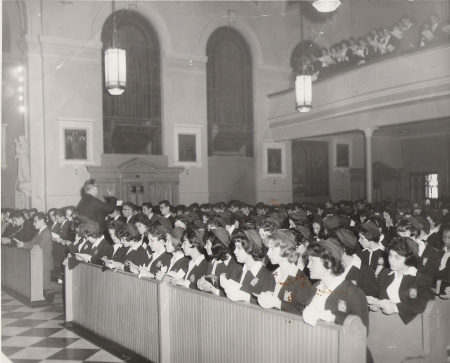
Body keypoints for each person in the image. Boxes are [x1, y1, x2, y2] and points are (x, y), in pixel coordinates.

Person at [302, 238, 369, 328]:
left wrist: (331, 318)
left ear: (328, 263)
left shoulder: (352, 293)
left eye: (312, 261)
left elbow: (361, 331)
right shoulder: (315, 288)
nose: (308, 266)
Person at [368, 237, 435, 324]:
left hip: (411, 326)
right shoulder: (386, 273)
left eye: (397, 257)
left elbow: (424, 303)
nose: (391, 260)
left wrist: (395, 308)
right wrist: (374, 302)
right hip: (384, 323)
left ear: (409, 258)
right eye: (390, 255)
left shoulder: (420, 278)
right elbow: (371, 290)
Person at [255, 230, 311, 315]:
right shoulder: (272, 275)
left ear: (285, 249)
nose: (268, 253)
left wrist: (278, 304)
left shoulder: (301, 280)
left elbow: (302, 312)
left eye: (272, 249)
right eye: (268, 249)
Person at [221, 229, 276, 305]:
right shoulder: (240, 270)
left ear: (250, 248)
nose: (234, 252)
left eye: (239, 248)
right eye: (235, 248)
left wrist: (247, 297)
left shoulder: (267, 276)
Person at [15, 212, 62, 293]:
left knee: (46, 285)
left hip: (44, 262)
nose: (33, 223)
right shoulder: (40, 232)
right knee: (41, 284)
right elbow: (32, 242)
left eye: (35, 221)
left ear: (42, 220)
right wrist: (23, 244)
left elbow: (39, 246)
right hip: (39, 262)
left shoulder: (47, 232)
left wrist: (24, 245)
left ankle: (66, 287)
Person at [197, 228, 242, 296]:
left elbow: (232, 295)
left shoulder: (235, 266)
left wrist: (212, 289)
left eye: (207, 243)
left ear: (216, 244)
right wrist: (201, 285)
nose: (205, 247)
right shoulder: (211, 263)